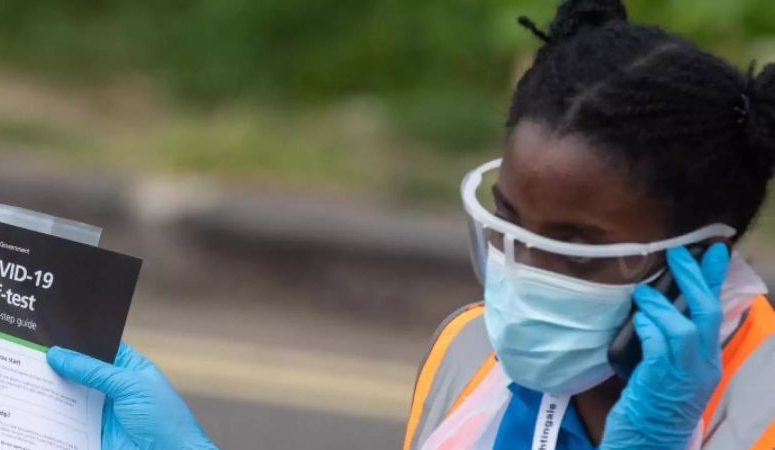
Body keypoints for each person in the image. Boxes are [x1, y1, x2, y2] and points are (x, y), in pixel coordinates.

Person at [46, 0, 775, 448]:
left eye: (577, 252)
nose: (523, 279)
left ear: (697, 261)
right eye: (509, 227)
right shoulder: (470, 352)